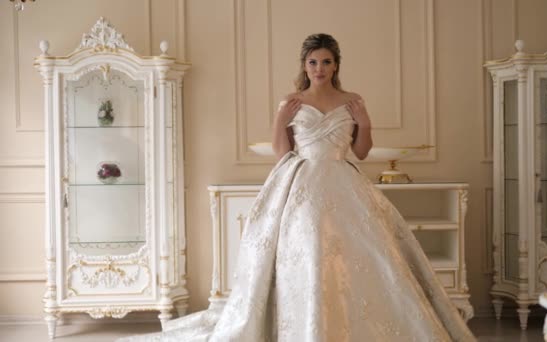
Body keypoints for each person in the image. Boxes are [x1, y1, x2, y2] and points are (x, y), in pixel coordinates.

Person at [118, 33, 476, 342]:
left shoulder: (352, 101)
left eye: (326, 61)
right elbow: (282, 152)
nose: (319, 68)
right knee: (308, 253)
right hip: (302, 185)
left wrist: (364, 123)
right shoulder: (293, 102)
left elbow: (362, 153)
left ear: (336, 65)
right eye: (312, 62)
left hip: (344, 182)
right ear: (304, 65)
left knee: (364, 259)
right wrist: (280, 119)